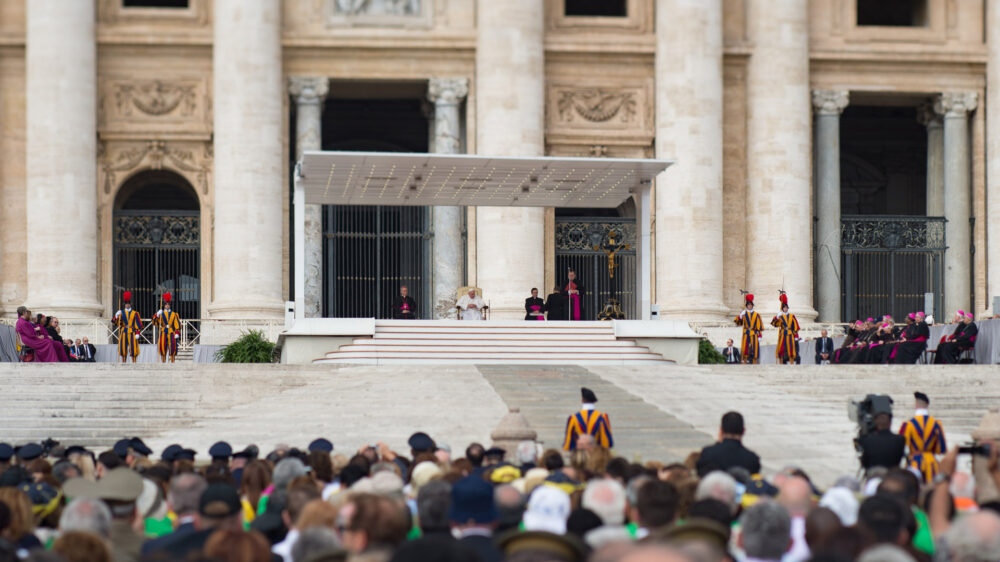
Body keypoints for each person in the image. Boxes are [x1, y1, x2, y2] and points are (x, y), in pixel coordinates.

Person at [898, 392, 946, 483]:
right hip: (931, 462)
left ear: (916, 405)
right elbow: (941, 449)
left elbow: (902, 447)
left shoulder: (908, 425)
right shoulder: (936, 424)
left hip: (914, 462)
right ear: (927, 405)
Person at [696, 411, 761, 477]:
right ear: (743, 431)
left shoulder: (708, 453)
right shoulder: (752, 459)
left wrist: (718, 444)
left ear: (721, 430)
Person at [858, 409, 906, 473]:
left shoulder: (867, 440)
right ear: (890, 423)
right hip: (892, 475)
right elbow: (900, 458)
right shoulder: (900, 439)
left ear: (875, 423)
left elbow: (864, 463)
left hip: (874, 475)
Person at [770, 293, 800, 365]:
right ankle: (781, 362)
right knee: (781, 349)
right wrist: (777, 317)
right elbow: (774, 324)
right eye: (784, 308)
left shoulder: (791, 316)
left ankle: (792, 362)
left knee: (791, 349)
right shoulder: (780, 316)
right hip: (783, 333)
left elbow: (795, 327)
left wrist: (796, 336)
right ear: (782, 308)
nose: (785, 309)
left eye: (786, 307)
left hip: (790, 333)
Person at [113, 291, 143, 363]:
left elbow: (138, 324)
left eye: (128, 304)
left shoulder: (135, 313)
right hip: (124, 331)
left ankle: (134, 362)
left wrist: (138, 333)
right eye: (126, 304)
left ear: (130, 304)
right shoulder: (121, 312)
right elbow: (116, 323)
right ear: (124, 305)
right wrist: (116, 316)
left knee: (133, 348)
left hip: (132, 331)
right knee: (123, 347)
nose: (127, 305)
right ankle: (124, 362)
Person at [734, 293, 763, 364]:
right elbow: (738, 323)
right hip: (746, 332)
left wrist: (760, 335)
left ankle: (755, 361)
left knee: (755, 348)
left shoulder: (757, 315)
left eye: (751, 305)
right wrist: (740, 316)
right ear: (746, 306)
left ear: (752, 305)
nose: (750, 306)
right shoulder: (744, 314)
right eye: (748, 305)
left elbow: (759, 326)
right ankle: (744, 361)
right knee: (745, 348)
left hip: (754, 332)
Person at [154, 292, 181, 363]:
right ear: (164, 305)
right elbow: (155, 322)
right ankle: (163, 362)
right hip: (163, 331)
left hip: (172, 331)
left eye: (168, 304)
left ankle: (172, 362)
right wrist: (157, 315)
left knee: (172, 348)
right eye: (166, 304)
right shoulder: (161, 313)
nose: (167, 305)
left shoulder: (174, 314)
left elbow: (177, 324)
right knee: (163, 347)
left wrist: (177, 332)